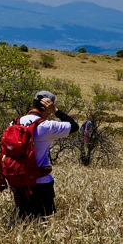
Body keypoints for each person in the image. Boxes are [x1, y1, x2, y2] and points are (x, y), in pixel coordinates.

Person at [13, 90, 78, 219]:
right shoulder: (45, 126)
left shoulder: (14, 123)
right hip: (41, 183)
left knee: (22, 220)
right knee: (44, 222)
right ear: (47, 107)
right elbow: (74, 126)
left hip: (19, 181)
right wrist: (56, 111)